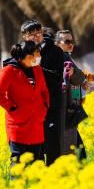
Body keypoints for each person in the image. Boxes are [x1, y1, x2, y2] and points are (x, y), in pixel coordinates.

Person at [0, 40, 50, 164]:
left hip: (36, 123)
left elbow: (44, 91)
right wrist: (13, 108)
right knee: (19, 163)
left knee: (38, 161)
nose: (39, 56)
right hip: (18, 125)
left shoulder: (37, 70)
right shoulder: (9, 71)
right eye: (37, 53)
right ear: (28, 56)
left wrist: (45, 106)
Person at [21, 20, 67, 164]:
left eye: (38, 33)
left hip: (51, 105)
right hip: (29, 108)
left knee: (52, 142)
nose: (35, 37)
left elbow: (58, 76)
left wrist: (37, 69)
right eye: (31, 34)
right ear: (24, 37)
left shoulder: (55, 51)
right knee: (34, 147)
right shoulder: (20, 52)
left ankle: (54, 175)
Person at [57, 29, 91, 160]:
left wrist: (82, 81)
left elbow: (78, 77)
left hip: (72, 112)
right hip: (65, 115)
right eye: (67, 41)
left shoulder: (68, 57)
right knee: (74, 156)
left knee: (79, 154)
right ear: (57, 43)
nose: (71, 44)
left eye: (72, 41)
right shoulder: (59, 59)